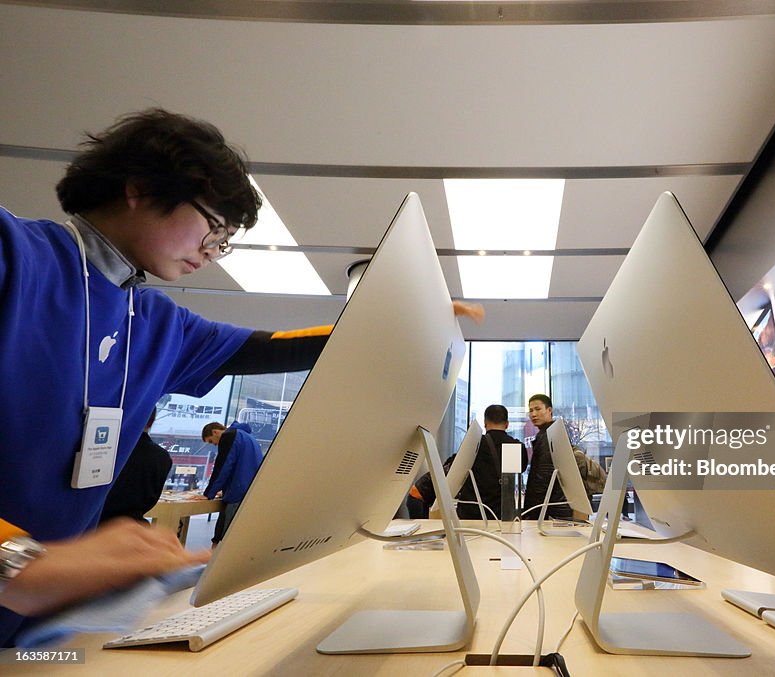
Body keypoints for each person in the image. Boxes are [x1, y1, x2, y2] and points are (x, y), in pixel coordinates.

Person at [0, 108, 483, 647]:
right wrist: (14, 561)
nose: (213, 251)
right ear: (138, 188)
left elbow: (265, 348)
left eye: (224, 240)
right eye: (213, 228)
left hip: (32, 632)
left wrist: (395, 321)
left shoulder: (155, 320)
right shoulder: (13, 256)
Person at [455, 404, 528, 521]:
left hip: (472, 512)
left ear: (485, 423)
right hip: (502, 513)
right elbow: (521, 470)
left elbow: (456, 468)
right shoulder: (517, 447)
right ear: (507, 424)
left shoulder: (474, 445)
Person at [99, 408, 173, 523]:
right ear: (152, 421)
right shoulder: (162, 456)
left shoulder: (105, 449)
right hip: (136, 525)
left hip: (98, 528)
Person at [201, 422, 263, 544]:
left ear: (215, 432)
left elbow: (223, 466)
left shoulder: (229, 436)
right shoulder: (248, 437)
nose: (214, 444)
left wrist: (208, 493)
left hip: (238, 492)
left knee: (226, 537)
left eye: (210, 441)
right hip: (248, 490)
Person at [522, 394, 573, 521]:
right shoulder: (546, 434)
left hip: (550, 509)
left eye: (538, 409)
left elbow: (544, 476)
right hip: (554, 506)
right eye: (531, 410)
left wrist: (533, 510)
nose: (533, 414)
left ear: (549, 410)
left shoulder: (550, 435)